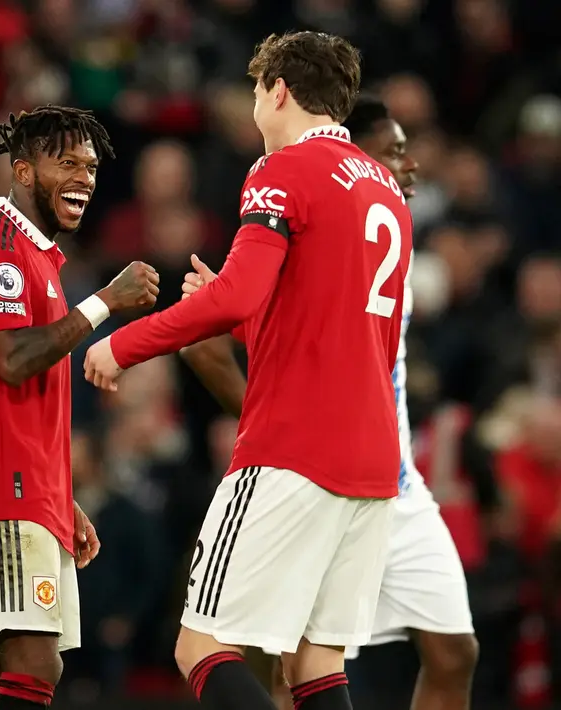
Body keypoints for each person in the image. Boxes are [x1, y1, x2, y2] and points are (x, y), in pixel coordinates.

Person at [83, 32, 414, 710]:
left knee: (198, 646)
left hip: (293, 448)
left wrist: (121, 345)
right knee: (315, 662)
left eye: (257, 91)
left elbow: (238, 296)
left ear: (278, 91)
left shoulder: (282, 169)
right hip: (374, 456)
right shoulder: (383, 189)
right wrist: (230, 309)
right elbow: (331, 325)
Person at [179, 96, 478, 710]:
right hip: (314, 464)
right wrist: (280, 428)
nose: (410, 165)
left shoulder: (392, 240)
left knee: (446, 651)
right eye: (394, 151)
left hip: (390, 481)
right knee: (291, 656)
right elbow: (204, 347)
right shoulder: (303, 227)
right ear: (357, 155)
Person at [0, 105, 159, 710]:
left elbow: (20, 398)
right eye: (67, 163)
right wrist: (104, 303)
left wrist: (60, 496)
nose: (85, 177)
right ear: (24, 170)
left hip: (25, 485)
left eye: (90, 166)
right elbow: (13, 359)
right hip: (2, 487)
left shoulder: (36, 255)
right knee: (36, 662)